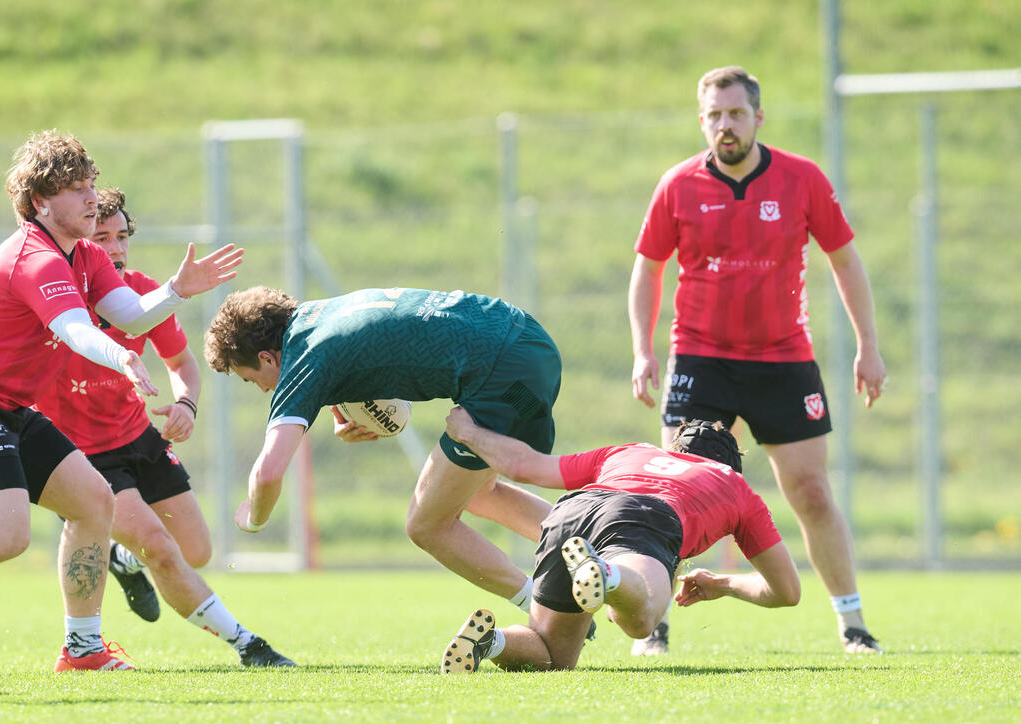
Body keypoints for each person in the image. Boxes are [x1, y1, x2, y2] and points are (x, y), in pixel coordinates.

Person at [0, 131, 243, 671]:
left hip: (10, 408)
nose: (91, 198)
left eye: (91, 185)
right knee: (7, 534)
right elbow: (76, 329)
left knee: (95, 503)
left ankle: (82, 650)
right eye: (76, 189)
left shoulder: (86, 254)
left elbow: (129, 315)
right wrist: (119, 356)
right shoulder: (34, 257)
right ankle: (83, 647)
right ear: (40, 202)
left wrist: (175, 291)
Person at [627, 66, 887, 655]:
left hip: (783, 360)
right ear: (702, 121)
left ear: (758, 118)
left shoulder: (802, 179)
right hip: (700, 358)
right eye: (715, 115)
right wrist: (643, 350)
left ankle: (853, 625)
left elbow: (846, 261)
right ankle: (653, 622)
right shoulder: (678, 184)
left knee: (811, 491)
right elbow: (648, 269)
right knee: (676, 494)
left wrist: (868, 345)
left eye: (737, 113)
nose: (726, 125)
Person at [32, 188, 292, 667]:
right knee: (161, 549)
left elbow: (182, 364)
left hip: (138, 437)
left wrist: (186, 405)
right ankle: (248, 646)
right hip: (82, 454)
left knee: (196, 550)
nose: (115, 248)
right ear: (80, 238)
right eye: (102, 237)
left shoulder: (140, 292)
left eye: (122, 236)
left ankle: (119, 557)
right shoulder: (55, 293)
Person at [203, 286, 560, 613]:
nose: (263, 389)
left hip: (503, 378)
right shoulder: (319, 315)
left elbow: (268, 474)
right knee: (477, 494)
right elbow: (373, 337)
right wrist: (341, 401)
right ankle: (585, 541)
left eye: (251, 379)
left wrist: (253, 518)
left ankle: (550, 608)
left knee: (426, 525)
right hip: (528, 342)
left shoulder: (302, 357)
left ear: (267, 358)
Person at [439, 413, 800, 673]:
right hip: (644, 518)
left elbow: (526, 467)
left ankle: (490, 642)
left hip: (570, 513)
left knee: (555, 658)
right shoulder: (733, 484)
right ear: (731, 466)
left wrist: (468, 432)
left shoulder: (632, 451)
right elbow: (787, 591)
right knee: (641, 622)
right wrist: (724, 584)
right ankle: (606, 573)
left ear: (675, 449)